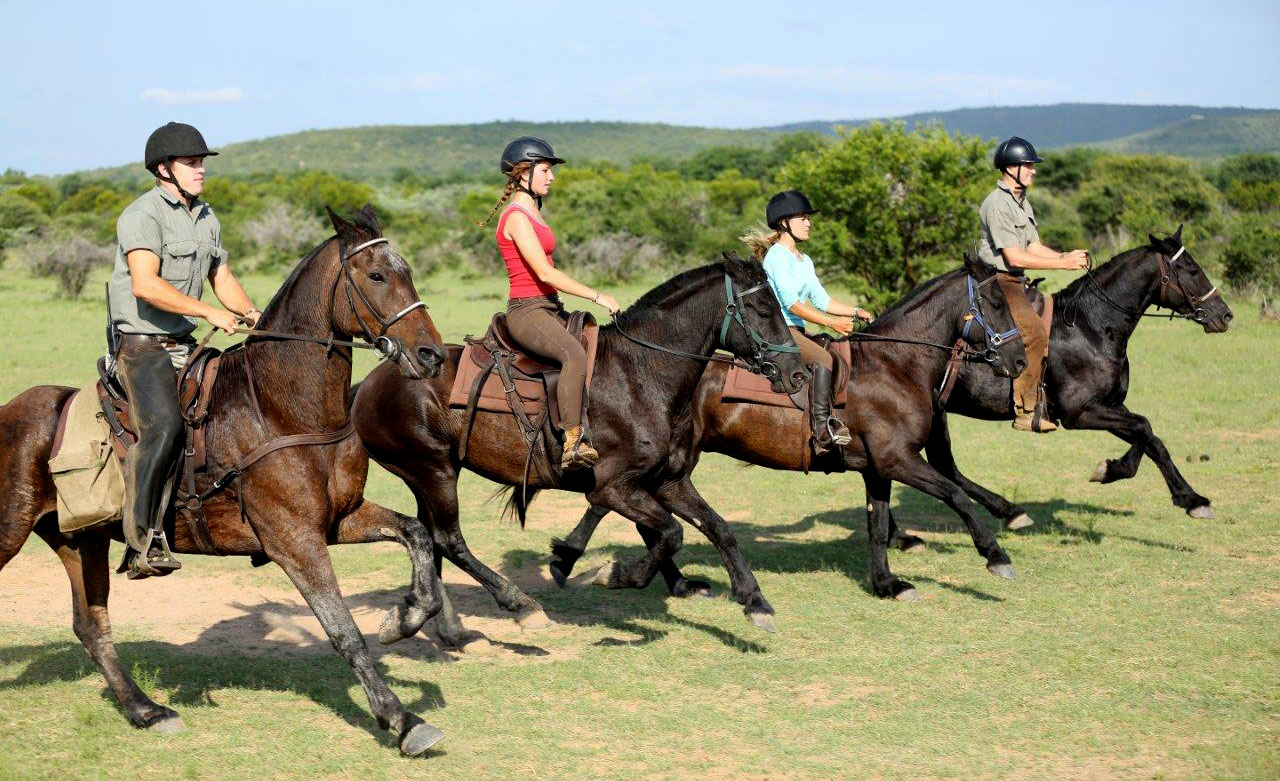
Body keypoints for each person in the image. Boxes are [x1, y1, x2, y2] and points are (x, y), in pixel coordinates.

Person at [108, 122, 259, 578]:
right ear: (163, 169)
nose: (200, 170)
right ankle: (141, 542)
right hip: (142, 347)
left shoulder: (206, 216)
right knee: (166, 427)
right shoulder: (142, 215)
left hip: (185, 345)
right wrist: (209, 313)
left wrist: (254, 316)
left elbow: (223, 279)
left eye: (201, 163)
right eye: (191, 163)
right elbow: (144, 284)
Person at [479, 137, 620, 470]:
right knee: (573, 353)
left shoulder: (533, 211)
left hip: (549, 307)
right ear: (522, 174)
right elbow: (545, 272)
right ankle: (572, 441)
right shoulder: (516, 217)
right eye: (545, 170)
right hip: (527, 311)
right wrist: (597, 296)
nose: (551, 177)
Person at [745, 190, 873, 455]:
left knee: (836, 352)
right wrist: (832, 324)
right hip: (779, 332)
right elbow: (793, 305)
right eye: (802, 218)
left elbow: (823, 300)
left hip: (798, 330)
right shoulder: (777, 257)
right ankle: (821, 433)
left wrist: (855, 311)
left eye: (807, 218)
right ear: (784, 223)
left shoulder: (805, 260)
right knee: (824, 360)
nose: (808, 223)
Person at [978, 136, 1090, 432]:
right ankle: (1026, 412)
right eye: (1028, 165)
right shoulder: (998, 204)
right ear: (1011, 168)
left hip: (1016, 279)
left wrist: (1065, 257)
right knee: (1036, 334)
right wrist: (1062, 264)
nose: (1033, 170)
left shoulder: (1020, 202)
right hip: (999, 281)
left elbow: (1033, 247)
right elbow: (1014, 257)